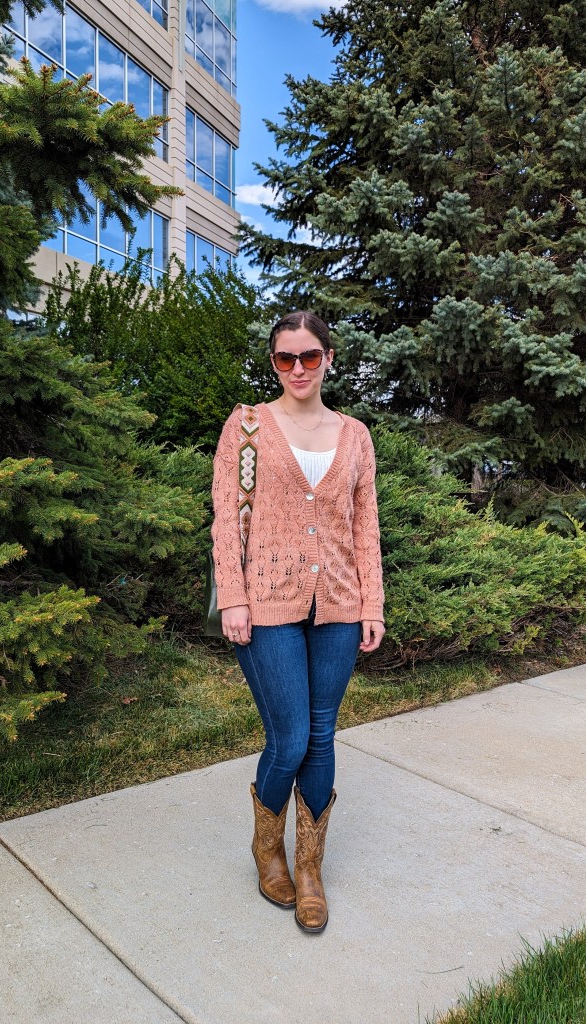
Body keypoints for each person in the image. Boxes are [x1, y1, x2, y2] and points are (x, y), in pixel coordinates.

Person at [211, 310, 385, 933]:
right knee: (288, 738)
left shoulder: (356, 434)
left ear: (329, 358)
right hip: (266, 602)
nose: (298, 369)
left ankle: (309, 866)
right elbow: (226, 516)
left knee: (322, 733)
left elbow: (365, 523)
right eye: (286, 359)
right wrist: (233, 596)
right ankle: (266, 847)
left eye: (309, 356)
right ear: (274, 364)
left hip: (339, 601)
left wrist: (373, 605)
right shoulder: (248, 426)